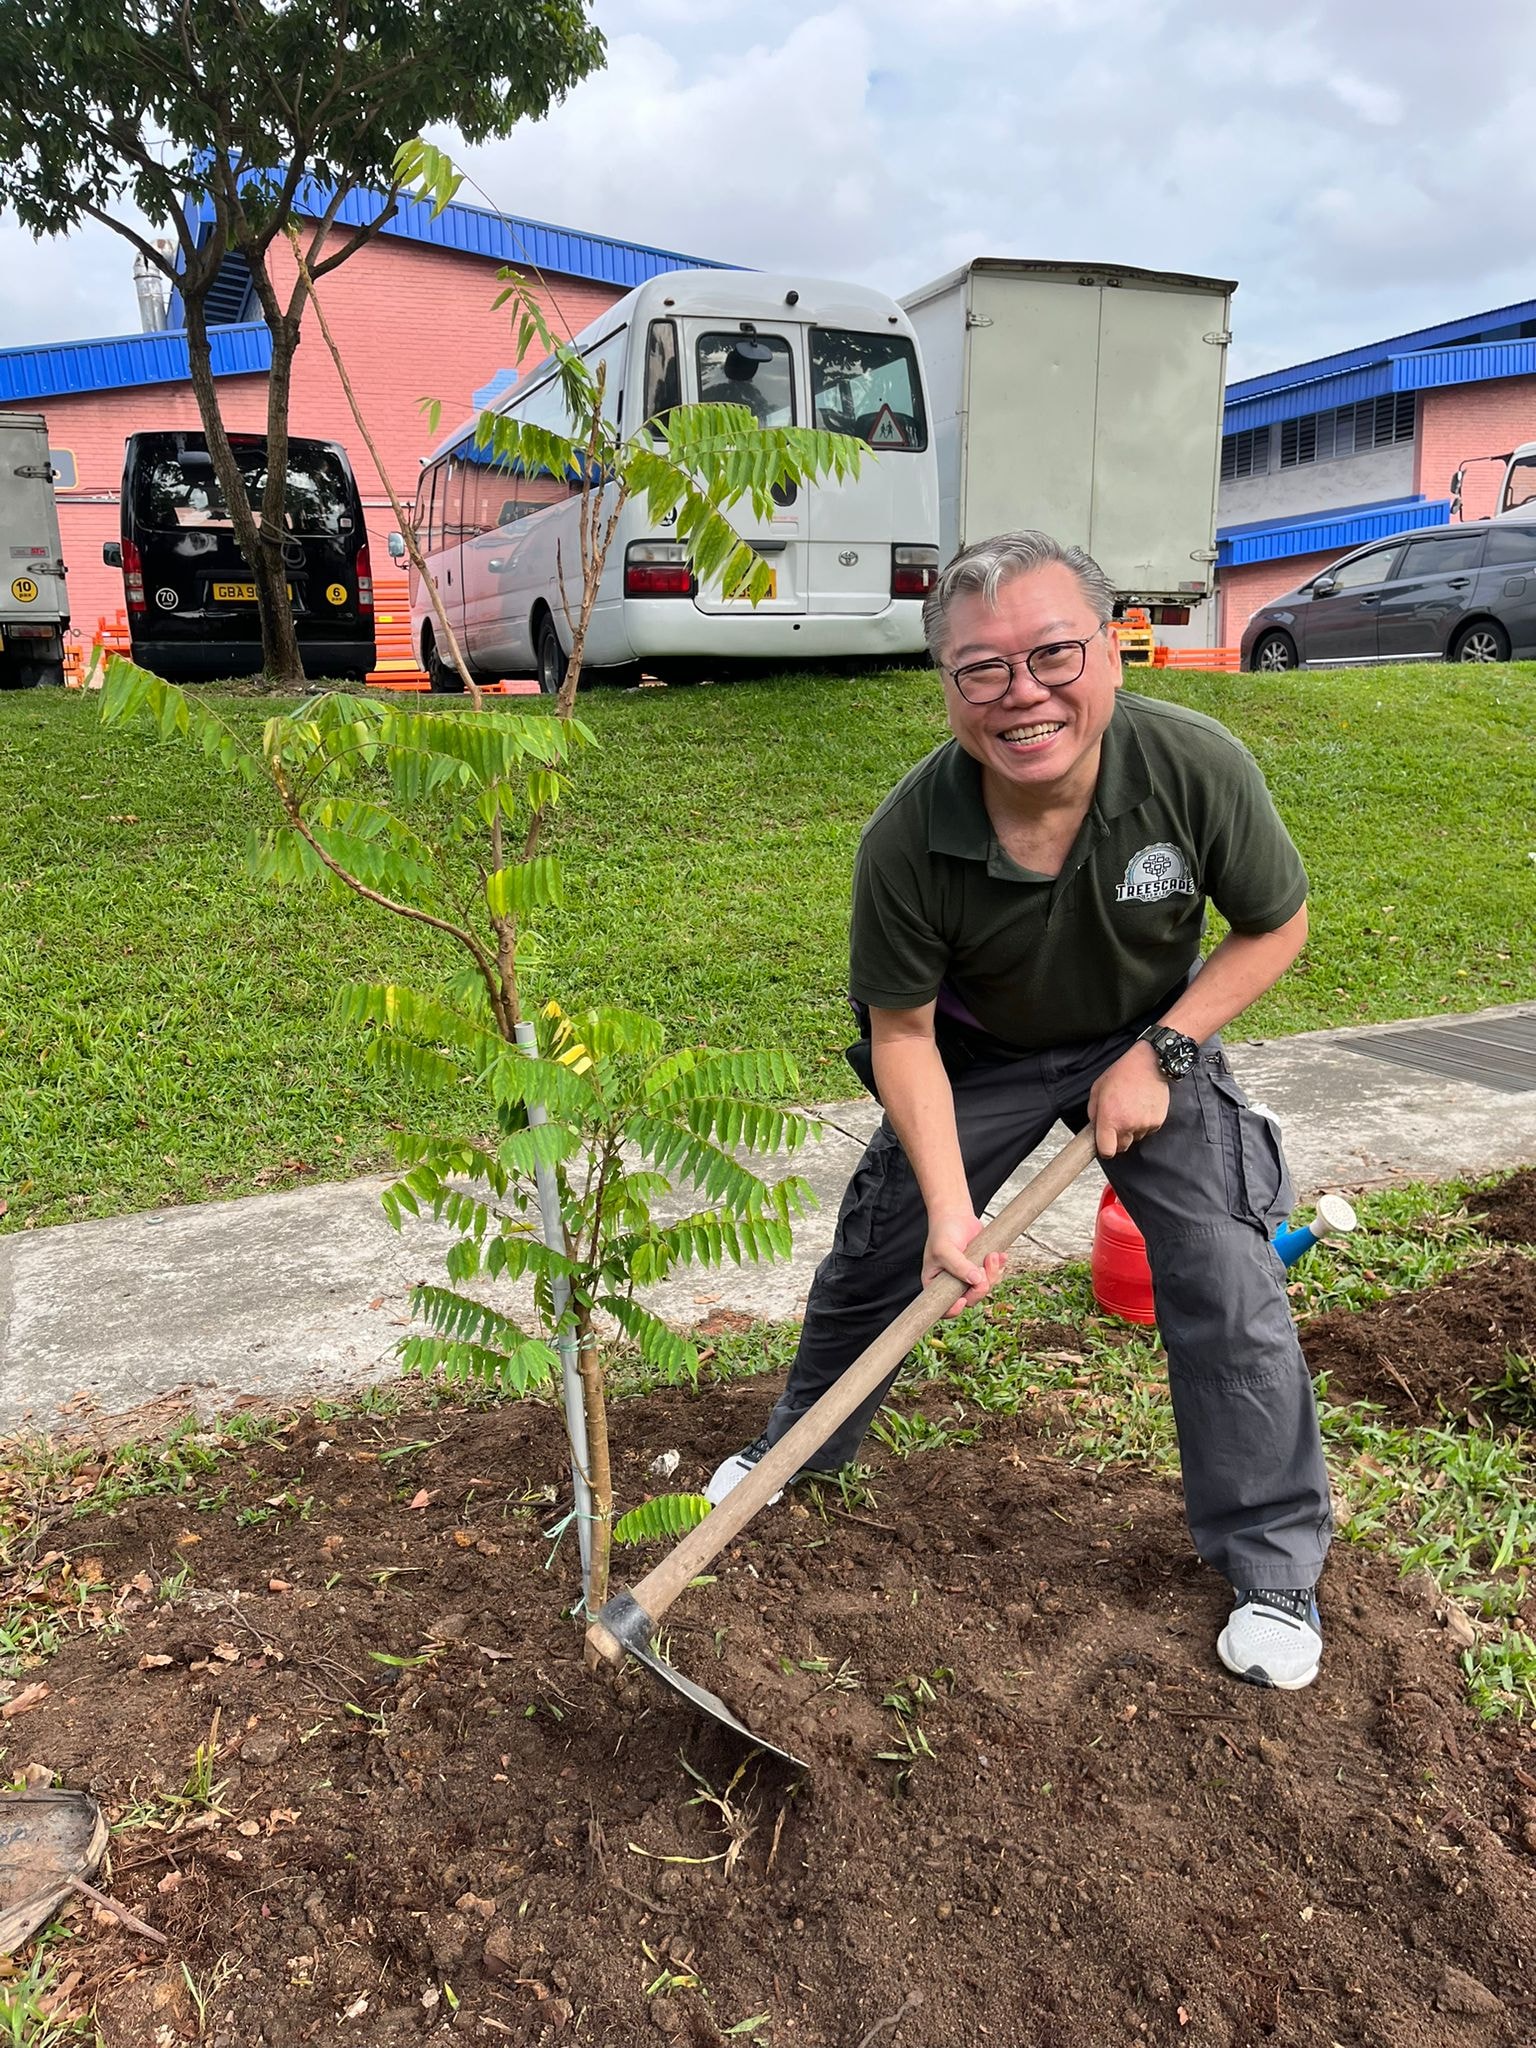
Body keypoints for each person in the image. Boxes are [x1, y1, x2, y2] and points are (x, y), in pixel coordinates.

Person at [707, 529, 1331, 1691]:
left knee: (1224, 1271)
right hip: (977, 1052)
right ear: (946, 684)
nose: (1023, 693)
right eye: (982, 668)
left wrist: (1164, 1051)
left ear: (1113, 649)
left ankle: (1273, 1562)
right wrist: (950, 1207)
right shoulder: (907, 837)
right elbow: (901, 1035)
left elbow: (1274, 926)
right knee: (883, 1251)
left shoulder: (1196, 770)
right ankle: (797, 1443)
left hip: (1148, 1037)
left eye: (1054, 653)